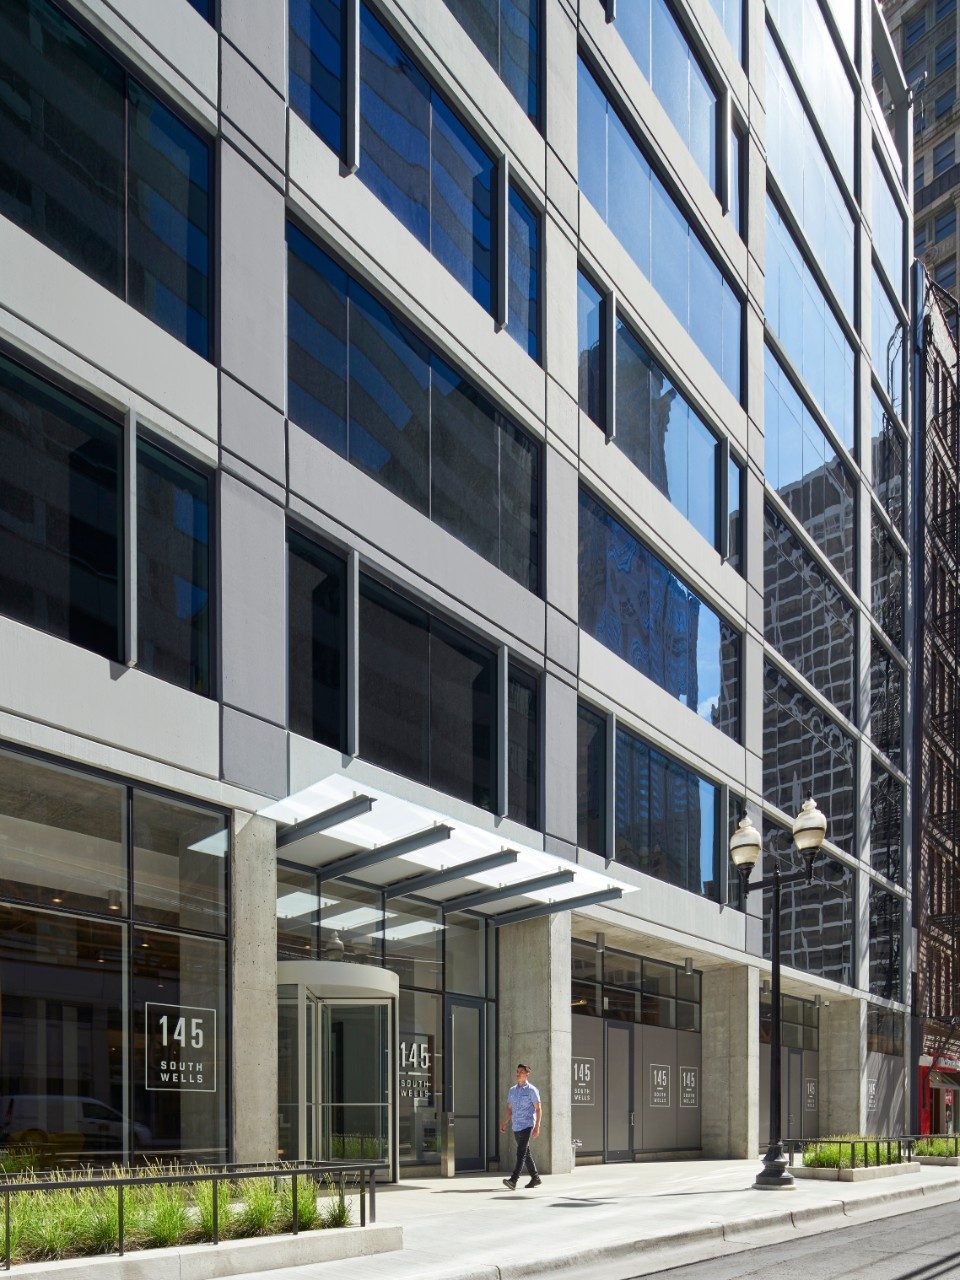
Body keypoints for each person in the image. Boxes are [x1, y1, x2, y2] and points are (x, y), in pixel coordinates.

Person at [499, 1062, 542, 1190]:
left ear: (527, 1074)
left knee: (521, 1153)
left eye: (521, 1072)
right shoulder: (512, 1090)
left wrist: (537, 1126)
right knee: (525, 1153)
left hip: (527, 1125)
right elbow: (509, 1109)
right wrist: (504, 1122)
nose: (518, 1074)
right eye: (517, 1071)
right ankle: (535, 1178)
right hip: (516, 1126)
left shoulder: (532, 1090)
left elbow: (538, 1109)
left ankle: (513, 1180)